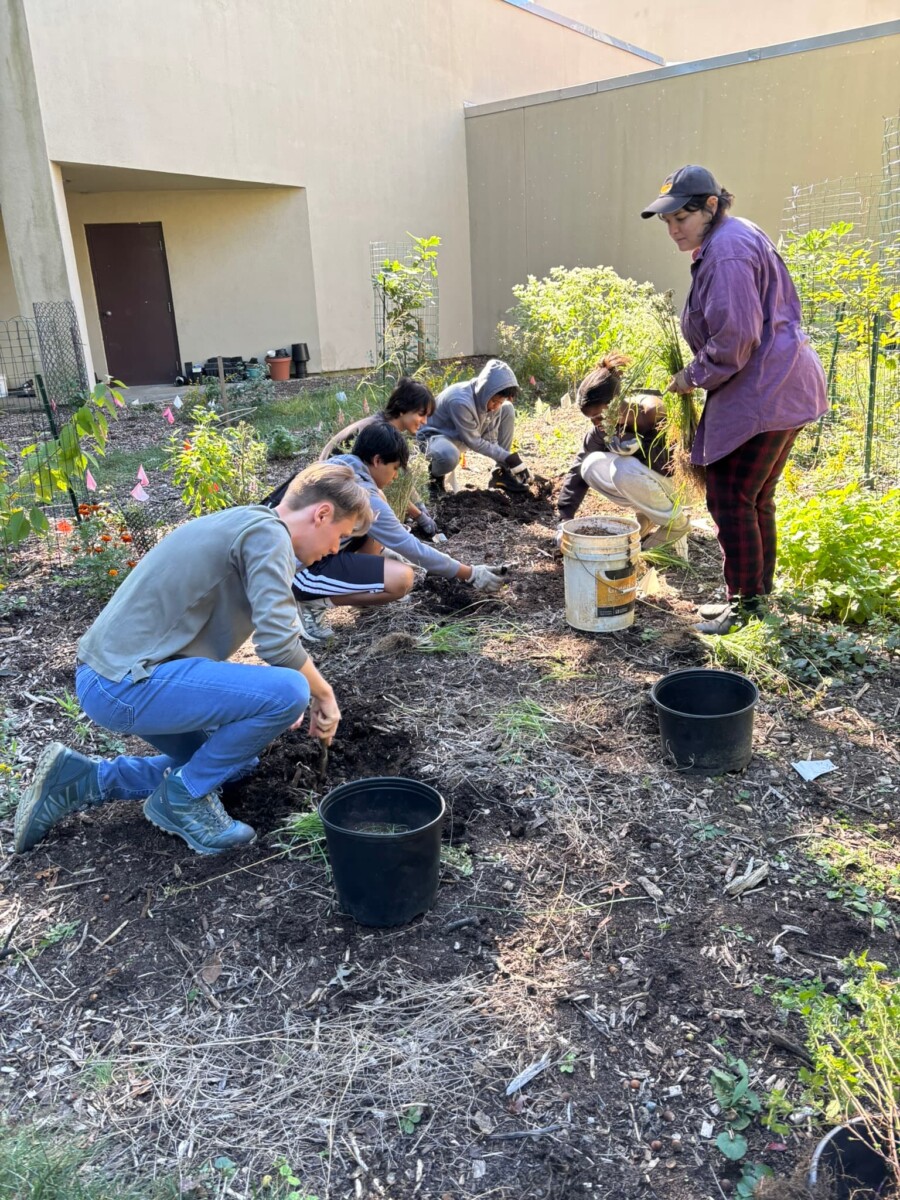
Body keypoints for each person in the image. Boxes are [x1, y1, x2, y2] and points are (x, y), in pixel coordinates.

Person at [14, 464, 373, 857]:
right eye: (340, 536)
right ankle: (181, 799)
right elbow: (277, 645)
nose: (336, 550)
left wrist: (263, 701)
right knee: (290, 689)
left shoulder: (246, 522)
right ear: (321, 514)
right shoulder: (270, 535)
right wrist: (323, 695)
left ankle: (85, 779)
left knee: (235, 762)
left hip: (112, 678)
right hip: (125, 684)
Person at [641, 165, 826, 633]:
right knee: (755, 497)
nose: (673, 229)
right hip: (783, 384)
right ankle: (755, 601)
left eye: (681, 217)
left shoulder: (726, 252)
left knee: (731, 497)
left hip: (764, 390)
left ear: (710, 205)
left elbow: (735, 340)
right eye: (667, 221)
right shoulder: (734, 236)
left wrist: (690, 376)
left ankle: (744, 607)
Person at [285, 422, 507, 641]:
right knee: (401, 580)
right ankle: (311, 601)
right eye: (394, 468)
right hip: (296, 573)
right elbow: (412, 547)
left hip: (310, 555)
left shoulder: (340, 467)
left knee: (376, 527)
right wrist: (470, 573)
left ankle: (352, 588)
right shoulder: (363, 494)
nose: (395, 476)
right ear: (377, 460)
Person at [556, 353, 691, 551]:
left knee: (623, 467)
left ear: (616, 402)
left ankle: (676, 524)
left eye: (600, 417)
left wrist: (634, 447)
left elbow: (675, 463)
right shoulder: (602, 429)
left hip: (680, 486)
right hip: (650, 483)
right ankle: (647, 515)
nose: (596, 424)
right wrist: (564, 518)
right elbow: (577, 468)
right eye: (591, 419)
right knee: (590, 464)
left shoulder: (653, 411)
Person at [316, 377, 441, 537]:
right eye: (421, 414)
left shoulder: (387, 429)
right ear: (403, 409)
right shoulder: (380, 433)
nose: (424, 421)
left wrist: (419, 504)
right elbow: (383, 484)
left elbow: (403, 475)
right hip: (331, 493)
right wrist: (419, 516)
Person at [418, 359, 530, 497]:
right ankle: (435, 478)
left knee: (508, 409)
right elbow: (474, 442)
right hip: (435, 437)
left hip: (461, 437)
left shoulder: (494, 404)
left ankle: (501, 473)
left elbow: (491, 440)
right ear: (485, 390)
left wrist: (508, 463)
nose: (496, 406)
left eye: (499, 402)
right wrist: (510, 458)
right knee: (448, 456)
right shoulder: (460, 401)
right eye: (494, 401)